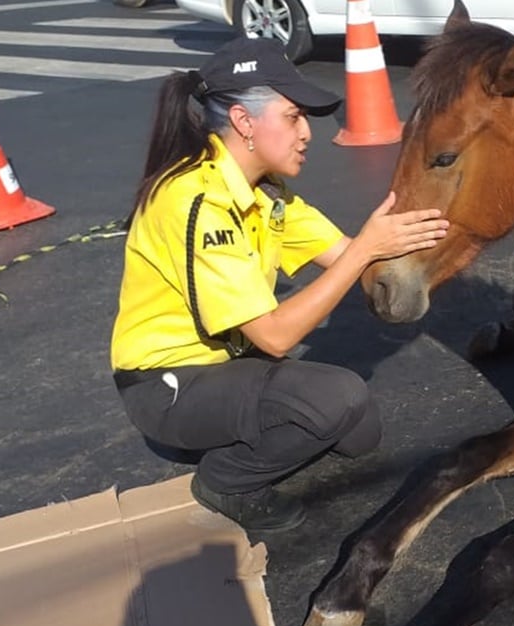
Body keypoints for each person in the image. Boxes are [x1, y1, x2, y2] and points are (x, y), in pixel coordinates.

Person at [110, 37, 449, 533]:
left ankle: (241, 428)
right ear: (244, 122)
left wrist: (435, 241)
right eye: (293, 117)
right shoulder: (196, 202)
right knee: (338, 398)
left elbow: (351, 257)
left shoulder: (267, 193)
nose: (306, 132)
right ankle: (226, 481)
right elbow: (274, 336)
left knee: (360, 432)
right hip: (167, 386)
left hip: (228, 366)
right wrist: (365, 250)